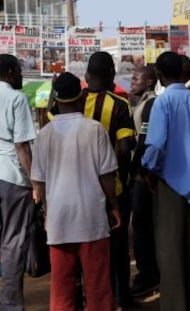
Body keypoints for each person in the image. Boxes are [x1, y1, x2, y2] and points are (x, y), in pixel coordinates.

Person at [48, 51, 136, 308]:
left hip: (69, 188)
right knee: (115, 251)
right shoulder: (119, 104)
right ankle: (120, 297)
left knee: (71, 254)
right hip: (112, 187)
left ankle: (77, 300)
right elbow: (126, 144)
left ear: (86, 76)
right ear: (111, 76)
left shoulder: (63, 105)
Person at [31, 72, 121, 311]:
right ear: (82, 96)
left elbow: (39, 183)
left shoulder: (44, 134)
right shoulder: (95, 130)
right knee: (98, 287)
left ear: (55, 99)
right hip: (91, 218)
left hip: (59, 221)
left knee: (62, 289)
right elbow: (107, 176)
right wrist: (113, 206)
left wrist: (48, 215)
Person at [141, 51, 190, 311]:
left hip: (169, 185)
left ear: (159, 76)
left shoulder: (162, 103)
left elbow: (155, 145)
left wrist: (146, 169)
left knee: (170, 251)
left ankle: (176, 305)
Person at [0, 54, 37, 311]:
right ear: (12, 72)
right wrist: (36, 184)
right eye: (20, 70)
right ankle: (11, 305)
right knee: (13, 242)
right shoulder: (16, 98)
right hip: (12, 177)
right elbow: (22, 145)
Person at [129, 65, 160, 297]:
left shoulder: (150, 105)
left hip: (144, 175)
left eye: (136, 78)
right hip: (143, 174)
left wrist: (137, 170)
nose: (132, 81)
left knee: (143, 226)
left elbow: (145, 141)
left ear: (149, 82)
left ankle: (148, 273)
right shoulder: (141, 103)